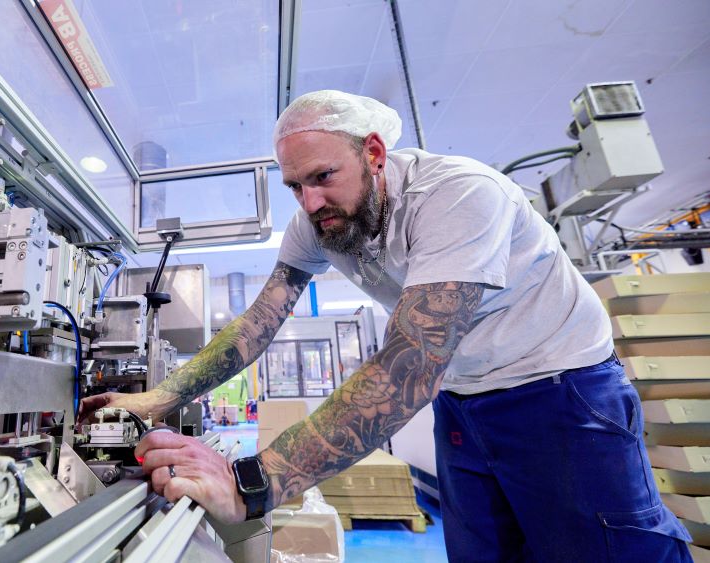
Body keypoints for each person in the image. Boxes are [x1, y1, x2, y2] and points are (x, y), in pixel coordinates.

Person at [81, 90, 692, 561]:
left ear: (373, 153)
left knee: (606, 551)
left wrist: (252, 483)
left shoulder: (457, 195)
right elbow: (258, 323)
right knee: (485, 553)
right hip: (463, 399)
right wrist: (157, 399)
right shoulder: (314, 223)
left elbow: (410, 364)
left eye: (323, 177)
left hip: (560, 389)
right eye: (295, 186)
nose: (310, 202)